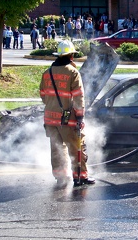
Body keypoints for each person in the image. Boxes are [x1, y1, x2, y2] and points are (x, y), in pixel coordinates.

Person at [39, 40, 96, 188]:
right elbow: (78, 97)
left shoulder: (47, 73)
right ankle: (80, 177)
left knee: (57, 149)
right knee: (76, 147)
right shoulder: (72, 72)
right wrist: (80, 116)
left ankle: (61, 177)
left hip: (50, 119)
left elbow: (43, 95)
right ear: (71, 56)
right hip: (67, 119)